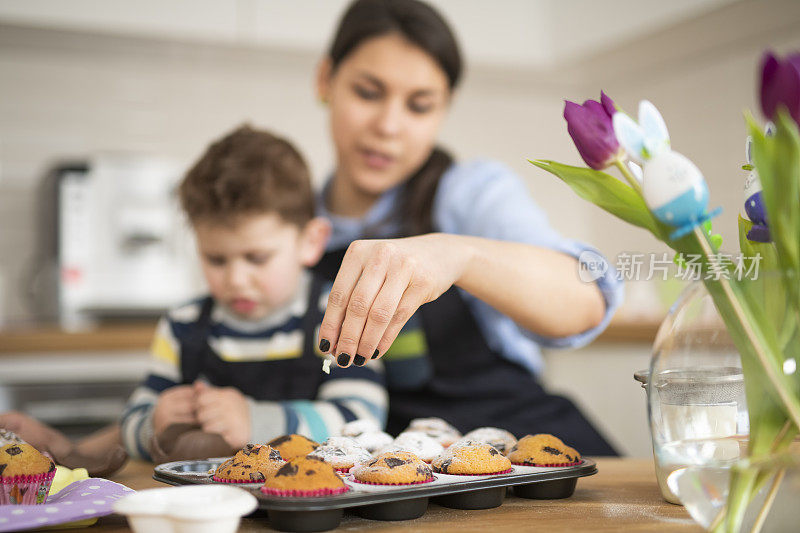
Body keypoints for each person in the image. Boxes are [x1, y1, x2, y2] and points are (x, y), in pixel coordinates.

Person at [311, 0, 622, 455]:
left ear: (444, 110)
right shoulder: (291, 230)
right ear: (325, 81)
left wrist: (460, 255)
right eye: (368, 93)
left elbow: (587, 298)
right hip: (401, 478)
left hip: (527, 454)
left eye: (419, 106)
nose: (388, 126)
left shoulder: (469, 193)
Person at [120, 125, 388, 462]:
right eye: (215, 259)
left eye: (256, 258)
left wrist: (258, 422)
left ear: (310, 242)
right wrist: (153, 424)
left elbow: (363, 420)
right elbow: (130, 422)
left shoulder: (337, 319)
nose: (236, 279)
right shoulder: (183, 325)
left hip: (307, 498)